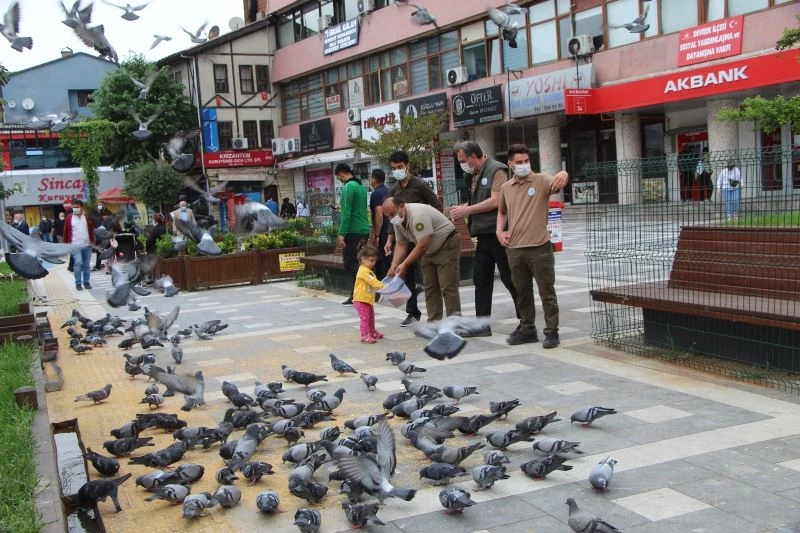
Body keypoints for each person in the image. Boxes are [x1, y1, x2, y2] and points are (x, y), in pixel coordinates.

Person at [497, 144, 568, 348]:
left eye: (526, 161)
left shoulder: (540, 180)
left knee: (547, 291)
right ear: (510, 164)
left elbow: (558, 182)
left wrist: (563, 173)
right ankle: (527, 329)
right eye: (519, 162)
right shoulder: (506, 188)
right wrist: (499, 231)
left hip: (540, 247)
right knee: (522, 293)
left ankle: (552, 331)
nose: (523, 165)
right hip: (515, 249)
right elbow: (502, 212)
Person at [451, 141, 520, 336]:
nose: (461, 164)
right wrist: (462, 208)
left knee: (510, 278)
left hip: (499, 233)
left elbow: (496, 201)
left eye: (463, 160)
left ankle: (526, 322)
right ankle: (482, 325)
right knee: (480, 278)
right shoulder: (471, 175)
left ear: (473, 157)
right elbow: (478, 201)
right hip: (482, 234)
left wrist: (467, 210)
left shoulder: (497, 170)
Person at [385, 150, 442, 326]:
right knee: (405, 273)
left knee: (427, 274)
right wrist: (389, 240)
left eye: (400, 167)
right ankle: (412, 312)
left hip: (422, 236)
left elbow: (436, 205)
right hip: (404, 238)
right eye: (394, 168)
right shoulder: (394, 189)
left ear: (407, 165)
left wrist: (433, 227)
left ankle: (434, 314)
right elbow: (392, 217)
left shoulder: (420, 185)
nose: (397, 170)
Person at [383, 197, 461, 322]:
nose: (391, 218)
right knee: (430, 288)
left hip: (446, 244)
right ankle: (434, 324)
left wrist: (404, 264)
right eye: (388, 216)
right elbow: (401, 244)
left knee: (448, 286)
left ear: (401, 206)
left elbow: (423, 244)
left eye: (392, 214)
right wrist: (395, 264)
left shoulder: (418, 215)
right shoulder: (397, 221)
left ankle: (455, 324)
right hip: (428, 250)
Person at [335, 163, 371, 305]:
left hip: (353, 231)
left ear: (342, 173)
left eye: (339, 177)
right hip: (364, 230)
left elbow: (346, 213)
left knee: (350, 262)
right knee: (358, 262)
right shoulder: (360, 187)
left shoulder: (348, 187)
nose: (339, 180)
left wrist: (342, 233)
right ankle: (356, 294)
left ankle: (367, 288)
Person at [353, 245, 386, 344]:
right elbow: (373, 282)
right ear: (363, 259)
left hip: (367, 300)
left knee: (371, 317)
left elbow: (373, 282)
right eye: (371, 260)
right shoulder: (363, 271)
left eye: (374, 261)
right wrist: (384, 286)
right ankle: (364, 336)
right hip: (361, 300)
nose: (373, 263)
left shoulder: (368, 271)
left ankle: (372, 332)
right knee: (365, 318)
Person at [63, 199, 96, 291]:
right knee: (78, 263)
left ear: (81, 207)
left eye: (77, 207)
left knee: (86, 265)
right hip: (75, 245)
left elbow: (93, 227)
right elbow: (65, 231)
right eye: (73, 207)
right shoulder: (69, 217)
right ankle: (78, 283)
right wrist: (65, 245)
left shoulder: (87, 216)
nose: (75, 209)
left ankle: (86, 282)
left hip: (87, 244)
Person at [369, 169, 391, 281]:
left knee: (385, 261)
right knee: (390, 258)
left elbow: (379, 215)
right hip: (391, 230)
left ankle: (386, 285)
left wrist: (377, 235)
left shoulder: (375, 194)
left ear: (373, 179)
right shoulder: (388, 191)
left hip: (383, 232)